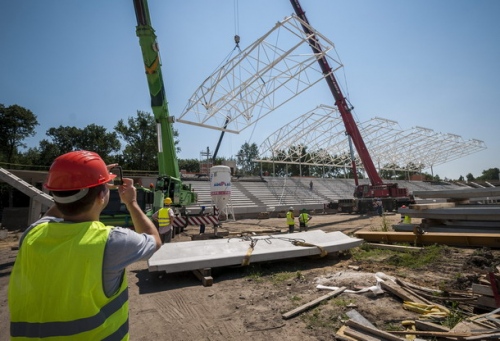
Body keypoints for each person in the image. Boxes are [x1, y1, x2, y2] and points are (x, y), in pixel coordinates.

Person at [8, 150, 161, 340]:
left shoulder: (31, 234)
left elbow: (59, 206)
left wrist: (86, 179)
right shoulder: (112, 242)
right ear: (101, 197)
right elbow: (154, 240)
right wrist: (131, 203)